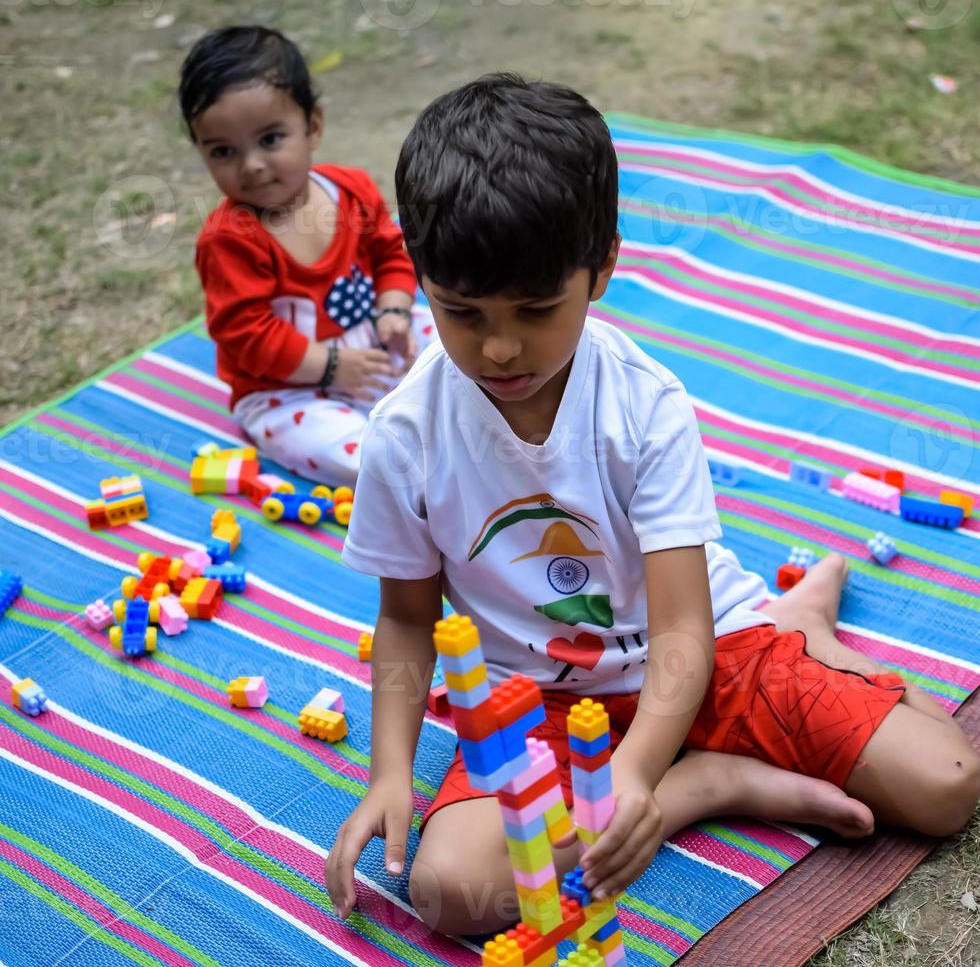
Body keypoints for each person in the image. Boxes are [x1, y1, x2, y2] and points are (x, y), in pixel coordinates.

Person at [324, 73, 980, 936]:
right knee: (451, 891)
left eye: (535, 307)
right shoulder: (404, 434)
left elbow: (683, 633)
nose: (501, 344)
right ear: (423, 277)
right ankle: (713, 784)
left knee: (945, 782)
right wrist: (390, 773)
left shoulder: (644, 404)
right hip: (541, 705)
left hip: (710, 650)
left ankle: (779, 655)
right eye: (461, 310)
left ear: (602, 270)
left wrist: (633, 775)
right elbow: (408, 619)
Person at [179, 25, 435, 486]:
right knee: (346, 449)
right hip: (288, 391)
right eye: (223, 151)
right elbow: (249, 336)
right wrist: (333, 367)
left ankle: (467, 418)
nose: (252, 164)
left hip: (374, 343)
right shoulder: (230, 239)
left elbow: (391, 254)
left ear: (312, 125)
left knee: (452, 341)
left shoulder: (350, 191)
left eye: (271, 139)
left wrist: (394, 311)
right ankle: (411, 476)